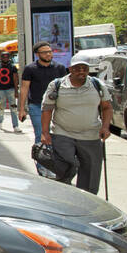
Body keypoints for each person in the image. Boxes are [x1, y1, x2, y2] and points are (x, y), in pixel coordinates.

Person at [41, 54, 112, 194]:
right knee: (65, 166)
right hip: (62, 133)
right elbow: (47, 109)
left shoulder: (97, 85)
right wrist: (45, 132)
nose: (81, 71)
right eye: (77, 68)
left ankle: (86, 201)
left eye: (84, 68)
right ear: (70, 69)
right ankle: (65, 196)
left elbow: (106, 107)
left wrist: (105, 127)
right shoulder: (57, 85)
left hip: (91, 134)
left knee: (91, 171)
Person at [19, 42, 68, 141]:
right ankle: (41, 155)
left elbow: (66, 88)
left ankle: (55, 155)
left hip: (56, 106)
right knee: (40, 134)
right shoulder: (30, 69)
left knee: (59, 134)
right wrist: (22, 109)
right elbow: (24, 88)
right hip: (37, 106)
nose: (48, 54)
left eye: (50, 51)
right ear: (37, 54)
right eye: (44, 52)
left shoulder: (60, 68)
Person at [0, 52, 21, 132]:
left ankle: (15, 125)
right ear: (1, 58)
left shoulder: (12, 67)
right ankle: (0, 122)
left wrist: (16, 90)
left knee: (13, 108)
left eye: (7, 57)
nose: (5, 58)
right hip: (0, 89)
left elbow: (15, 79)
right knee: (1, 107)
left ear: (9, 58)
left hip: (10, 89)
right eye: (3, 57)